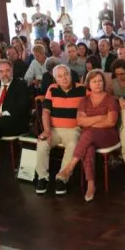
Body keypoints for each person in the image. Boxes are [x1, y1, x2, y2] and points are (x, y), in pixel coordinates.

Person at [57, 70, 120, 202]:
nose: (98, 84)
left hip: (108, 136)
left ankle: (70, 166)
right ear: (88, 84)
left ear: (104, 82)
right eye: (94, 81)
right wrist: (100, 117)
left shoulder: (111, 99)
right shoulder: (84, 100)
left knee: (88, 133)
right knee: (88, 146)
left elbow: (111, 122)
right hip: (90, 137)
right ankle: (91, 185)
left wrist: (90, 121)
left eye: (100, 81)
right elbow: (80, 121)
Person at [35, 64, 87, 195]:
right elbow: (45, 112)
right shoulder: (52, 89)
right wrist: (46, 130)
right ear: (55, 79)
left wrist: (119, 100)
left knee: (73, 144)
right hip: (53, 129)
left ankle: (62, 178)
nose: (64, 78)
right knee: (42, 143)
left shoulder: (82, 89)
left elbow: (99, 96)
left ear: (71, 75)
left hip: (73, 129)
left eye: (66, 74)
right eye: (60, 76)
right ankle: (42, 178)